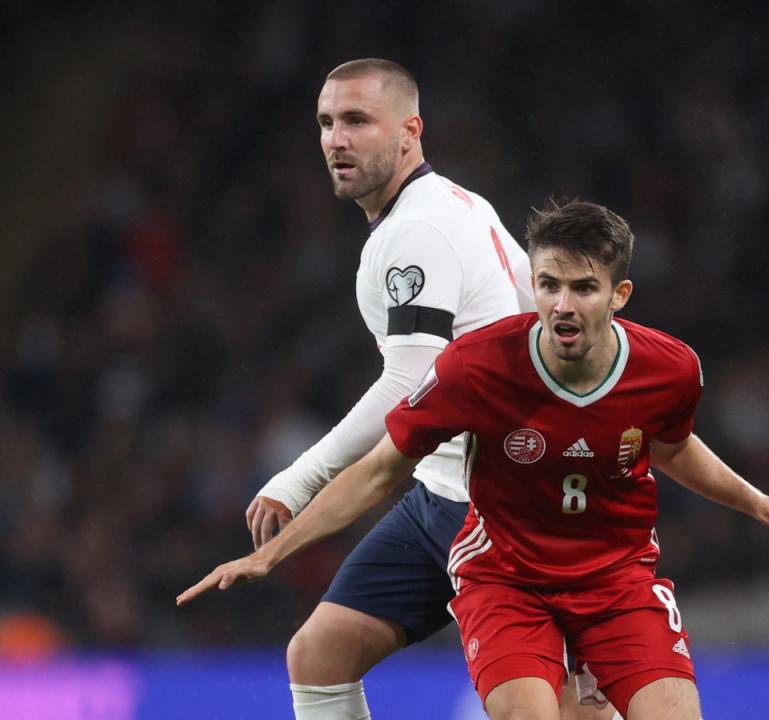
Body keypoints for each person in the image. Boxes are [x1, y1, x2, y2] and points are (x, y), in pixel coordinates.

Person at [179, 199, 769, 719]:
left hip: (618, 582)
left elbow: (670, 447)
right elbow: (381, 469)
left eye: (583, 287)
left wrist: (761, 505)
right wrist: (273, 552)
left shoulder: (670, 369)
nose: (561, 304)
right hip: (507, 578)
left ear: (619, 296)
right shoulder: (477, 366)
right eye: (548, 283)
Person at [238, 58, 605, 720]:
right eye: (326, 123)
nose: (336, 140)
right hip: (444, 494)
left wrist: (296, 480)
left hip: (507, 505)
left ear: (410, 132)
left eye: (357, 121)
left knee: (554, 708)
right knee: (320, 654)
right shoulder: (452, 204)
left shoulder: (416, 230)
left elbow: (411, 385)